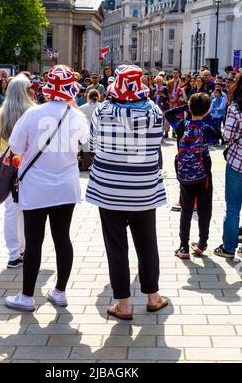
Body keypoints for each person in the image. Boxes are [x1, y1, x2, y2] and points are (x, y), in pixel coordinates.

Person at [86, 65, 168, 320]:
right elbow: (157, 146)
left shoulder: (102, 110)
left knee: (116, 247)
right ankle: (153, 297)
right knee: (147, 244)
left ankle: (123, 304)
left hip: (109, 190)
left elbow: (91, 144)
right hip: (143, 189)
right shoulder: (154, 111)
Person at [5, 65, 89, 312]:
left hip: (36, 188)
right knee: (63, 239)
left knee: (34, 242)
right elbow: (85, 141)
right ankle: (60, 292)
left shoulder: (32, 114)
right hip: (66, 186)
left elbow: (16, 148)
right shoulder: (76, 116)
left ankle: (28, 296)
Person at [0, 74, 36, 269]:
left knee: (10, 211)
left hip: (8, 166)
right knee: (28, 210)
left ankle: (13, 253)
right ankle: (25, 249)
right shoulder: (34, 112)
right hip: (30, 167)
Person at [167, 94, 219, 260]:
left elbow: (168, 114)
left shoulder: (182, 125)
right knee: (205, 210)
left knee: (186, 210)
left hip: (184, 176)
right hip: (203, 176)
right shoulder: (205, 127)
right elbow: (217, 136)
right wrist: (206, 116)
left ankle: (183, 246)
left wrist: (186, 107)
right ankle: (202, 244)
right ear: (206, 110)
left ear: (190, 107)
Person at [214, 74, 242, 259]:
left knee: (233, 207)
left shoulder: (236, 108)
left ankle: (229, 248)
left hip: (237, 162)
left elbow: (227, 134)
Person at [79, 89, 101, 170]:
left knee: (87, 155)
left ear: (88, 96)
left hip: (86, 135)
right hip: (99, 135)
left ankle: (87, 167)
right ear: (98, 96)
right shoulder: (103, 107)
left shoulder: (82, 108)